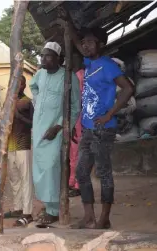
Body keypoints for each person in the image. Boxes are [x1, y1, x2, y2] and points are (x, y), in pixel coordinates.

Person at [66, 18, 134, 229]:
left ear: (101, 44)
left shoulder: (107, 65)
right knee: (81, 172)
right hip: (88, 128)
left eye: (90, 42)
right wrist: (67, 24)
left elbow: (128, 88)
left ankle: (104, 218)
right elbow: (77, 44)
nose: (85, 45)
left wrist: (109, 113)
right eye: (84, 42)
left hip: (103, 129)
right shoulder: (89, 63)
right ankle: (89, 217)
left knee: (103, 172)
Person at [30, 42, 81, 225]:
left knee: (52, 168)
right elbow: (33, 86)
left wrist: (59, 125)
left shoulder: (68, 77)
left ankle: (54, 210)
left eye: (48, 56)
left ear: (58, 59)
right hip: (38, 128)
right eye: (42, 55)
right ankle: (48, 205)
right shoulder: (40, 74)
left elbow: (75, 106)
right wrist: (37, 102)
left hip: (56, 131)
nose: (43, 59)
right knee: (40, 169)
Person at [4, 75, 35, 227]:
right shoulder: (7, 102)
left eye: (19, 83)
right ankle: (18, 208)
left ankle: (27, 213)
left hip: (23, 145)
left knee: (25, 179)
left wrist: (18, 116)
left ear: (23, 85)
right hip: (10, 145)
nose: (16, 85)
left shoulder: (27, 102)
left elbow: (33, 124)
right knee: (14, 179)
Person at [69, 52, 85, 197]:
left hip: (79, 119)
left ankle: (77, 185)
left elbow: (79, 101)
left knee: (76, 153)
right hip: (75, 119)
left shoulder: (80, 76)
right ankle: (72, 182)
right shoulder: (74, 75)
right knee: (72, 153)